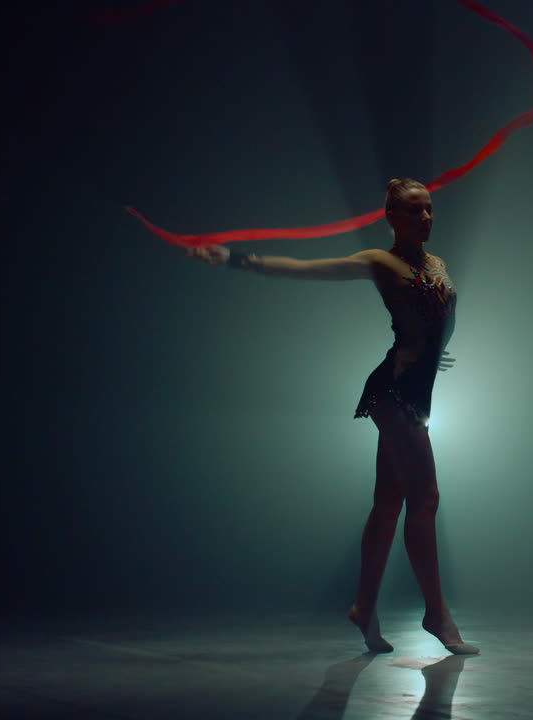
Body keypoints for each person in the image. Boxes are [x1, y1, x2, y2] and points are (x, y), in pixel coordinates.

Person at [186, 178, 477, 655]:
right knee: (425, 497)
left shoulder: (438, 264)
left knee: (389, 502)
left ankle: (364, 607)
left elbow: (433, 316)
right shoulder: (378, 263)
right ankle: (436, 614)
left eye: (428, 209)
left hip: (417, 391)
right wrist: (235, 258)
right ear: (390, 218)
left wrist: (429, 351)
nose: (424, 218)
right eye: (412, 211)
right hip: (393, 393)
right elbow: (305, 268)